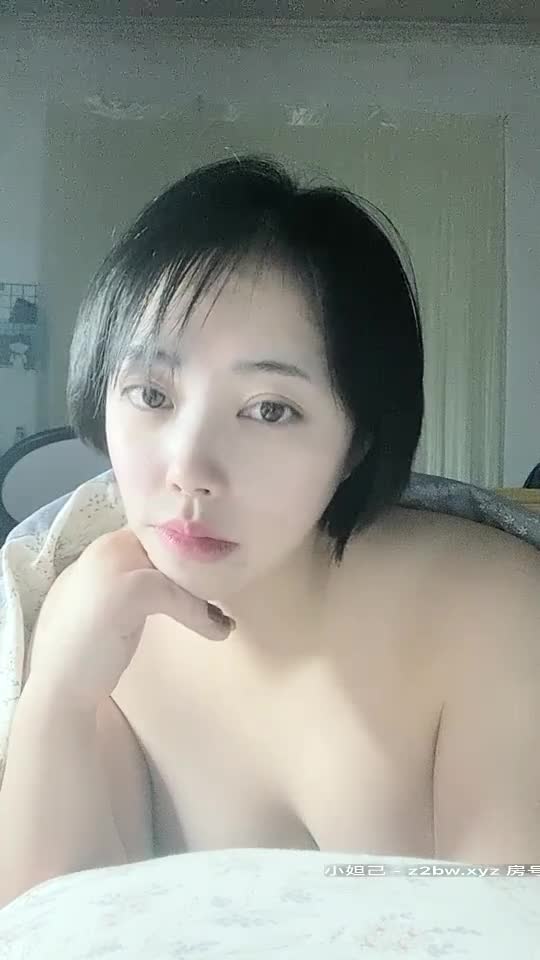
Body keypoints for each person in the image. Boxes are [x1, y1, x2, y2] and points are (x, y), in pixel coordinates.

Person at [0, 156, 539, 907]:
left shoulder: (493, 609)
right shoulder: (94, 611)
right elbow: (52, 926)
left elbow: (504, 929)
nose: (189, 469)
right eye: (151, 394)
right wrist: (56, 699)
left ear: (357, 441)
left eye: (270, 410)